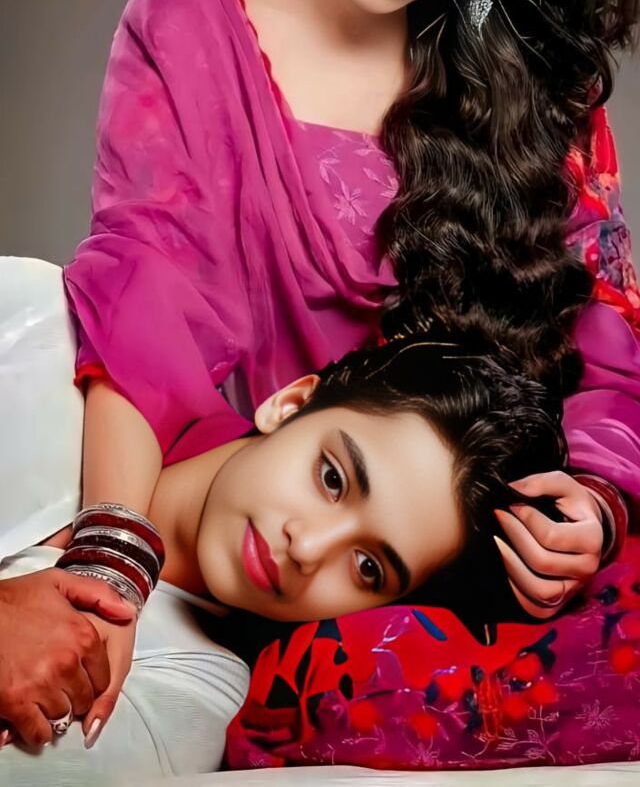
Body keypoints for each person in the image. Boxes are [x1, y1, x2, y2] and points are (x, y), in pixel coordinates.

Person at [13, 0, 640, 750]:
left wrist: (594, 500)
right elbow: (145, 286)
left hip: (437, 553)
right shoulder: (188, 24)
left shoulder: (531, 85)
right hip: (257, 527)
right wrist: (112, 554)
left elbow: (608, 330)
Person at [0, 329, 568, 781]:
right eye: (332, 478)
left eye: (368, 568)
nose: (309, 547)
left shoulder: (197, 697)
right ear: (289, 403)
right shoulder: (39, 340)